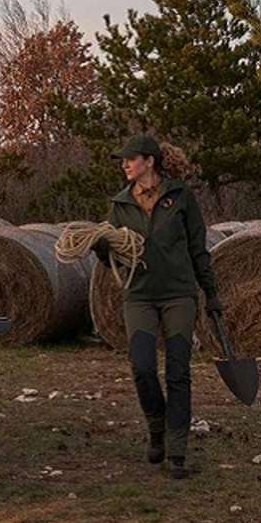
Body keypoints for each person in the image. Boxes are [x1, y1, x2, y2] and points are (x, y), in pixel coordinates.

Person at [93, 134, 221, 479]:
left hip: (179, 294)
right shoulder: (120, 205)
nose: (124, 164)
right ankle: (156, 428)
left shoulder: (180, 196)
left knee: (179, 371)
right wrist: (102, 248)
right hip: (139, 296)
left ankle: (177, 451)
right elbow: (111, 261)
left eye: (129, 158)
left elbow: (198, 247)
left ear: (149, 161)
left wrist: (211, 293)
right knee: (143, 367)